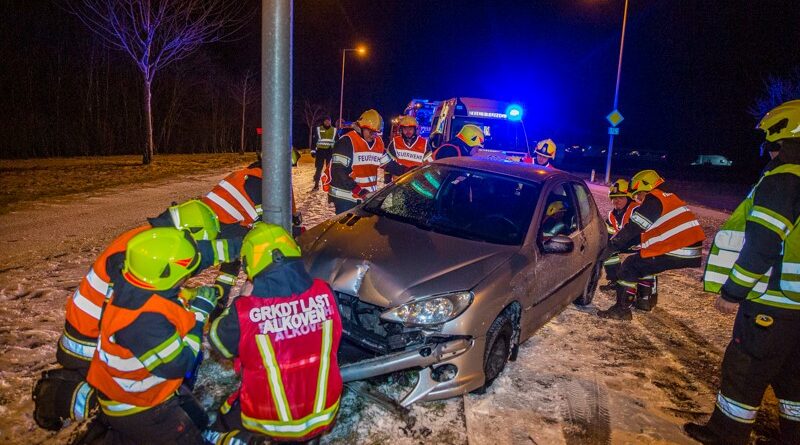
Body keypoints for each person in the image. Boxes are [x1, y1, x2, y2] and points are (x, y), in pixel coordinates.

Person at [34, 201, 238, 433]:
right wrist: (197, 313)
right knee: (135, 399)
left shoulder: (147, 243)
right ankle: (58, 396)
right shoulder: (136, 254)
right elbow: (144, 312)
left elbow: (154, 292)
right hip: (90, 345)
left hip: (97, 333)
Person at [685, 100, 800, 445]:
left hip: (773, 302)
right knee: (794, 378)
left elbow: (762, 245)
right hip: (796, 307)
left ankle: (726, 434)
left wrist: (733, 292)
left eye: (770, 142)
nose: (767, 151)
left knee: (745, 369)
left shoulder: (784, 181)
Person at [206, 223, 343, 444]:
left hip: (269, 421)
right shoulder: (325, 291)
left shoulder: (246, 311)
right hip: (324, 412)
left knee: (224, 417)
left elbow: (218, 343)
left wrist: (241, 299)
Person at [86, 227, 221, 443]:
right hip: (140, 408)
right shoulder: (144, 323)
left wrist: (184, 297)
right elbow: (180, 363)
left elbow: (159, 301)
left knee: (199, 420)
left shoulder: (130, 284)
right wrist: (199, 314)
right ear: (167, 275)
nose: (187, 279)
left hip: (144, 390)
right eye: (184, 277)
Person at [597, 169, 705, 320]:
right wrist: (619, 246)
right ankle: (645, 301)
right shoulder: (668, 197)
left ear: (645, 187)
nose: (638, 199)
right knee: (643, 261)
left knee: (630, 266)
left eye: (638, 194)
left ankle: (621, 310)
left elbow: (635, 227)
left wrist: (613, 246)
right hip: (686, 248)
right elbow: (641, 233)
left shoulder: (654, 199)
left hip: (678, 248)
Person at [327, 109, 385, 214]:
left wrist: (407, 170)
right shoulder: (346, 142)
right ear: (360, 127)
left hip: (366, 196)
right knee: (345, 229)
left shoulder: (378, 143)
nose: (373, 136)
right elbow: (338, 172)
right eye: (371, 132)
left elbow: (387, 163)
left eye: (376, 133)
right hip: (345, 197)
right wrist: (358, 190)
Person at [600, 179, 640, 291]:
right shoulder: (612, 215)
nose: (616, 201)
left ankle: (640, 290)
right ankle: (615, 280)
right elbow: (609, 233)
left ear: (628, 198)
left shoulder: (637, 209)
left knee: (639, 264)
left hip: (643, 243)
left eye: (620, 197)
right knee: (606, 250)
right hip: (627, 243)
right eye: (614, 198)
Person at [381, 115, 432, 182]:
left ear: (415, 129)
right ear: (401, 130)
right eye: (405, 129)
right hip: (398, 182)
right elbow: (386, 161)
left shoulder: (424, 143)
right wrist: (387, 172)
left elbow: (430, 164)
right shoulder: (395, 142)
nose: (408, 131)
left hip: (415, 182)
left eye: (410, 129)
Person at [311, 116, 337, 191]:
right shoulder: (319, 129)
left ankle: (331, 184)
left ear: (330, 122)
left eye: (328, 121)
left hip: (330, 151)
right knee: (319, 168)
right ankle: (316, 184)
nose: (327, 122)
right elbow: (314, 141)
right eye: (326, 121)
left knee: (329, 169)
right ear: (323, 122)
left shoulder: (334, 130)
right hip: (320, 151)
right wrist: (313, 151)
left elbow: (337, 141)